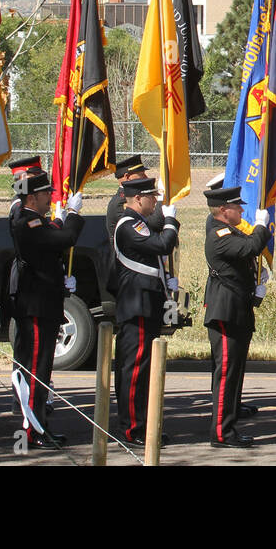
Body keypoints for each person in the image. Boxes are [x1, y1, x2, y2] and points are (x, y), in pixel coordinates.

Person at [10, 165, 84, 448]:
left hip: (45, 303)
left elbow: (52, 240)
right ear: (32, 197)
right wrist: (73, 216)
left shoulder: (34, 220)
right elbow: (64, 239)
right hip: (37, 306)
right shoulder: (26, 221)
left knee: (42, 369)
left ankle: (39, 424)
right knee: (35, 369)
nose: (48, 198)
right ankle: (32, 429)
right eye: (45, 194)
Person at [112, 175, 179, 447]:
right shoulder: (128, 225)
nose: (155, 201)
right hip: (136, 305)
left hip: (146, 303)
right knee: (134, 369)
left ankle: (142, 424)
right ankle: (132, 429)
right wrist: (171, 221)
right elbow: (162, 244)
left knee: (144, 369)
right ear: (137, 198)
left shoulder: (138, 222)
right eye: (151, 196)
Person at [202, 182, 271, 448]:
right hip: (226, 312)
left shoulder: (230, 231)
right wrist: (263, 225)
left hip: (236, 310)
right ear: (223, 209)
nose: (241, 209)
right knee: (226, 374)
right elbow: (250, 247)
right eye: (236, 205)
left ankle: (228, 427)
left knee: (234, 374)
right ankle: (221, 432)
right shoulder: (219, 235)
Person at [106, 155, 166, 230]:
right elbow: (151, 225)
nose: (146, 177)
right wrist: (162, 198)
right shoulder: (120, 203)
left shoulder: (132, 196)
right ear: (127, 177)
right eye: (141, 174)